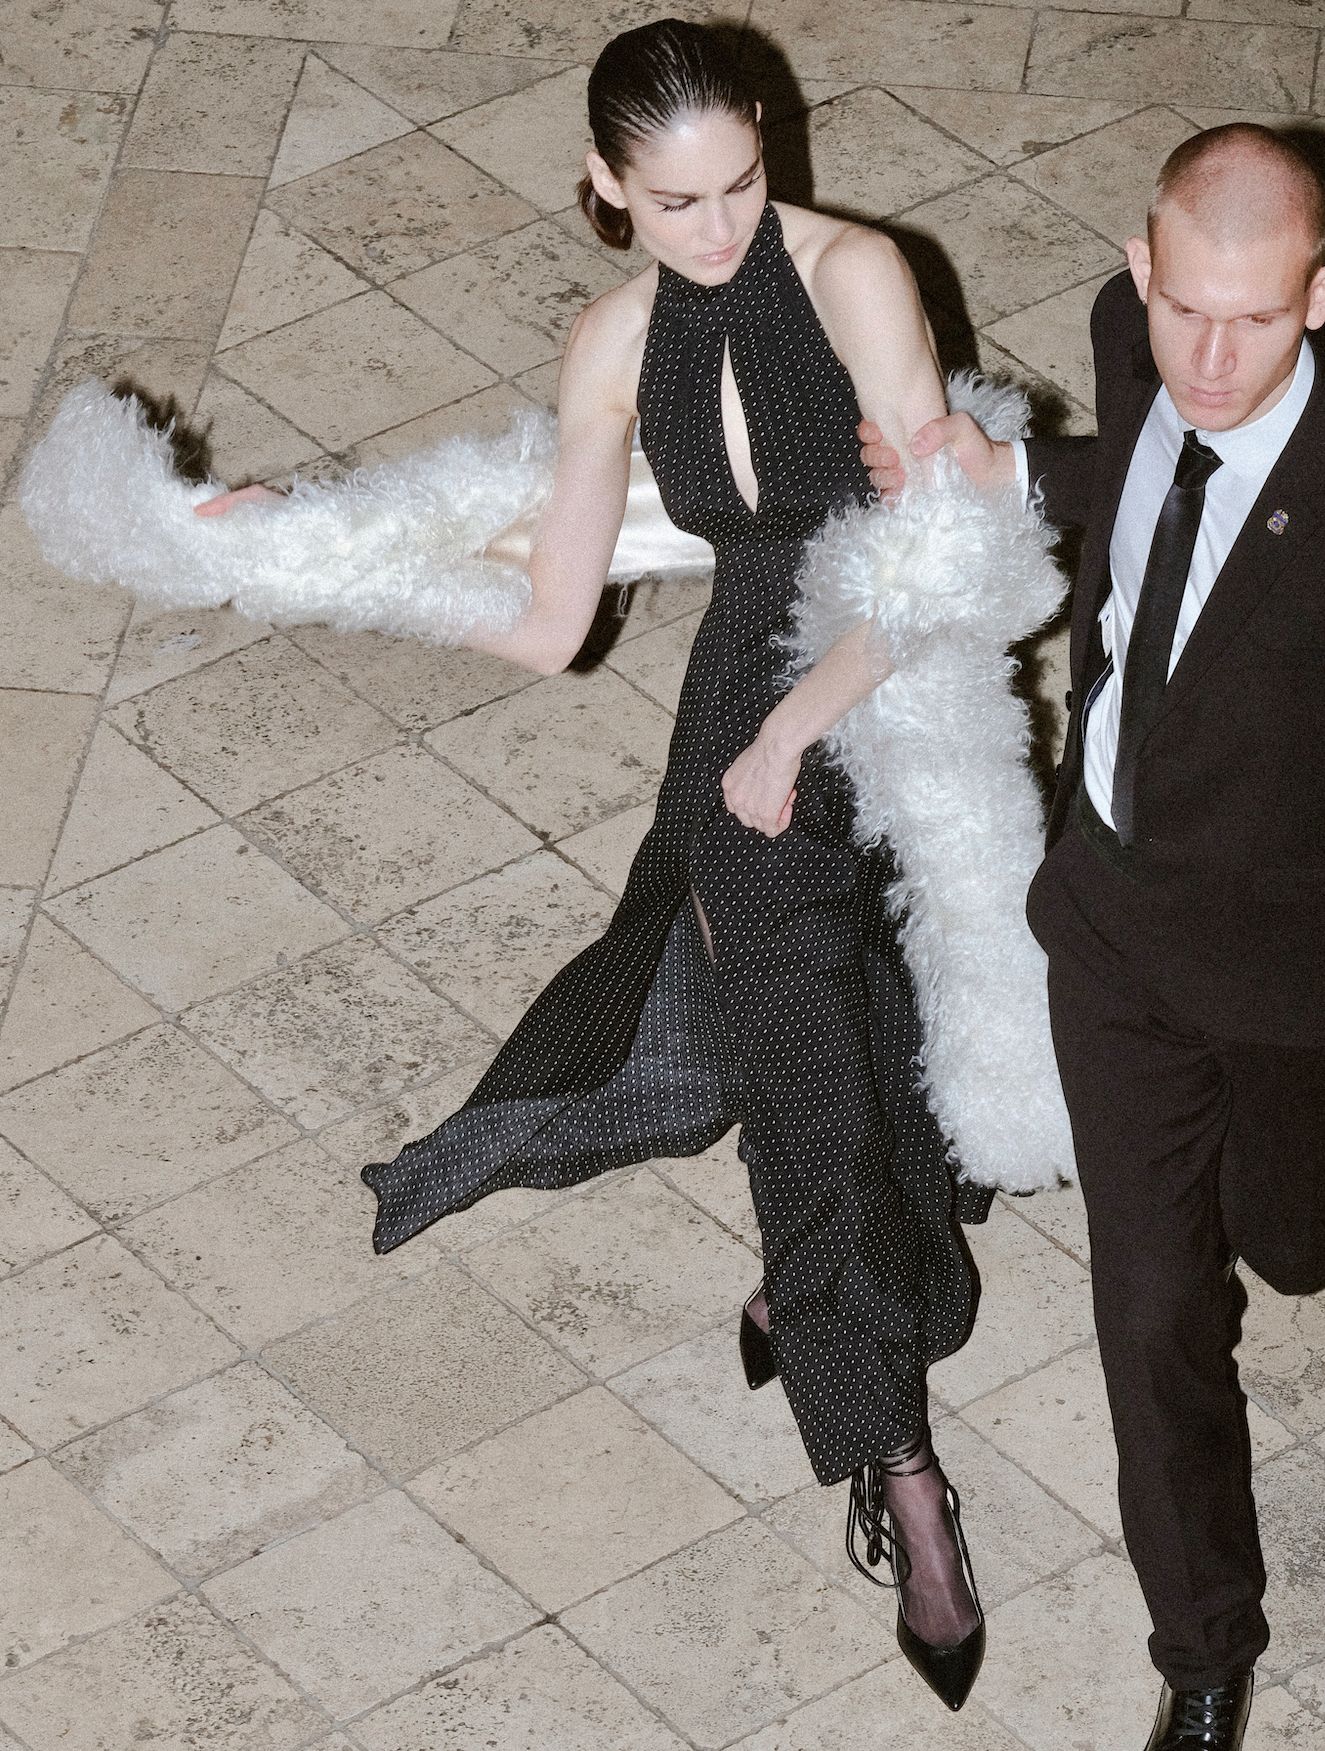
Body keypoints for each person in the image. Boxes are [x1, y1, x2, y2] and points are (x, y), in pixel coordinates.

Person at [200, 19, 996, 1708]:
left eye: (739, 187)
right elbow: (552, 617)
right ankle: (904, 1476)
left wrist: (799, 728)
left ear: (770, 145)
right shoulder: (613, 341)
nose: (714, 231)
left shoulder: (859, 275)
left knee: (898, 1056)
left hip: (887, 706)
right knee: (814, 1097)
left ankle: (820, 1289)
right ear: (603, 186)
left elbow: (935, 564)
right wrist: (313, 555)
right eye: (674, 203)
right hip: (741, 736)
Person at [862, 122, 1325, 1749]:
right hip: (1116, 935)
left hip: (1291, 977)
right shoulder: (1134, 343)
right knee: (1150, 1313)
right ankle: (1203, 1651)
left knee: (1292, 1240)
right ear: (1141, 269)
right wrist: (1012, 479)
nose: (1209, 359)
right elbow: (1142, 479)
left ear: (1319, 297)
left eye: (1254, 321)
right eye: (1184, 307)